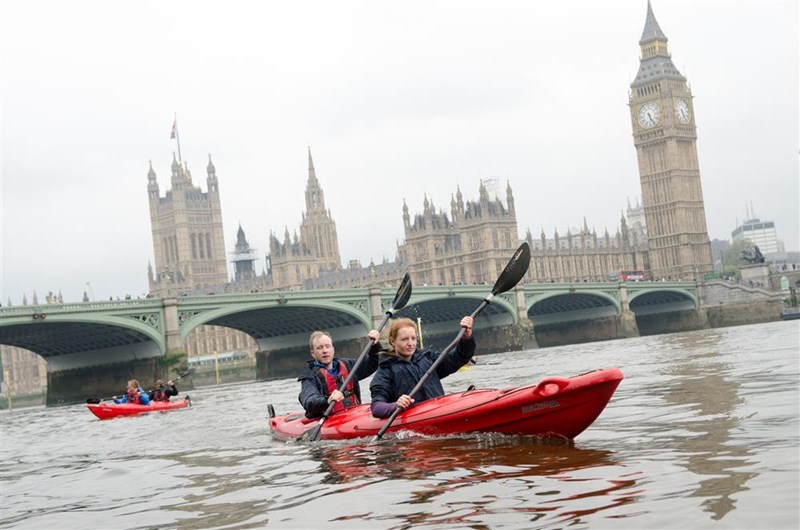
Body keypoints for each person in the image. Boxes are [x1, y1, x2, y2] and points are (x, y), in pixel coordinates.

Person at [370, 315, 475, 419]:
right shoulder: (385, 370)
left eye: (413, 338)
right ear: (393, 341)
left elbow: (459, 358)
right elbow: (376, 407)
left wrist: (466, 337)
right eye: (404, 339)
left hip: (440, 412)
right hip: (415, 420)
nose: (410, 343)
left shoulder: (428, 358)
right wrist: (395, 405)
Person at [298, 329, 382, 418]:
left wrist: (375, 345)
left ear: (333, 349)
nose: (325, 350)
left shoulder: (347, 365)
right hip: (329, 419)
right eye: (320, 348)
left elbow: (372, 363)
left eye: (327, 346)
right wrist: (327, 400)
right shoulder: (309, 375)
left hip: (354, 414)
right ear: (313, 353)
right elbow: (309, 400)